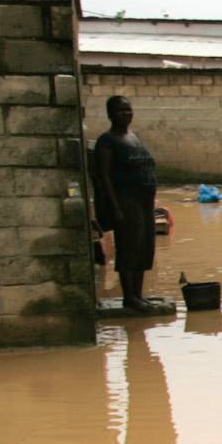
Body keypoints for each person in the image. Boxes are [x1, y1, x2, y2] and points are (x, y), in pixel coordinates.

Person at [91, 95, 158, 313]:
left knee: (144, 247)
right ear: (110, 114)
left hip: (144, 202)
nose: (125, 114)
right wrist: (115, 207)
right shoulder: (107, 141)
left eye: (128, 110)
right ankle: (129, 296)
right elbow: (104, 177)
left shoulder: (135, 137)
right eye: (120, 111)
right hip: (125, 201)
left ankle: (138, 294)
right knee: (128, 248)